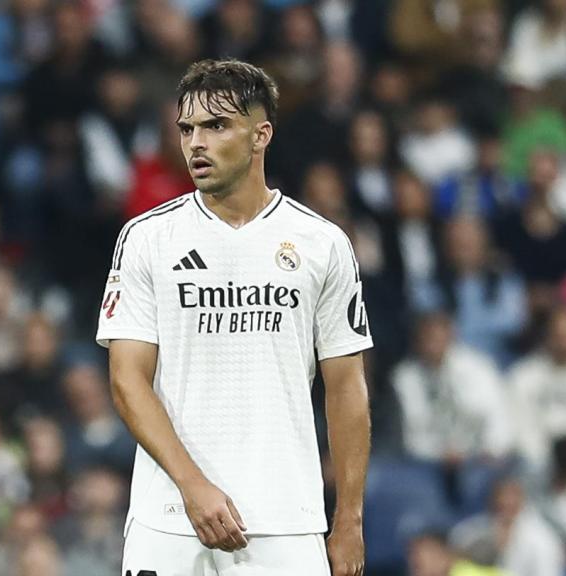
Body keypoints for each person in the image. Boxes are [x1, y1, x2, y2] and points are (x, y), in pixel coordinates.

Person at [96, 59, 373, 575]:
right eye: (187, 129)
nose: (195, 143)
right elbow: (127, 381)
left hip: (286, 522)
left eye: (216, 126)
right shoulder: (146, 238)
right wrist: (193, 486)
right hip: (169, 521)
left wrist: (350, 519)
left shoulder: (322, 244)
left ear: (259, 134)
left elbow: (346, 387)